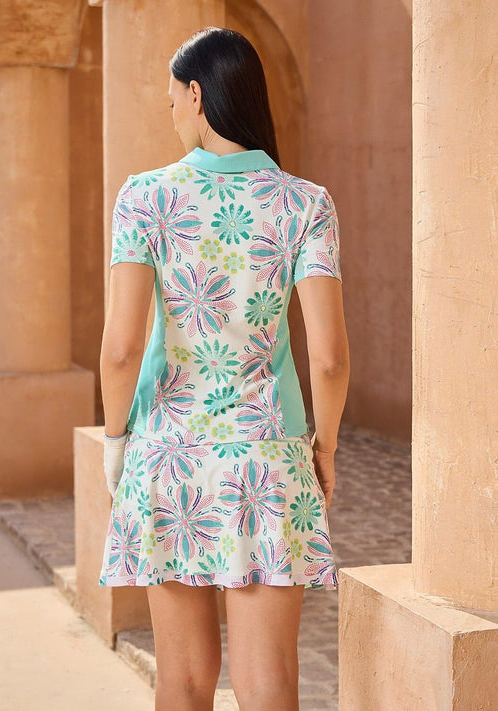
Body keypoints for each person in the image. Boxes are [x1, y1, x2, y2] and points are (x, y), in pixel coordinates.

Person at [98, 26, 350, 711]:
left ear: (196, 94)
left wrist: (117, 442)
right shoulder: (305, 203)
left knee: (181, 682)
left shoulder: (145, 197)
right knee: (268, 685)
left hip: (169, 455)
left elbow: (120, 348)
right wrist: (323, 447)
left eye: (172, 102)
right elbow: (329, 358)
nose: (172, 117)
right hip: (268, 459)